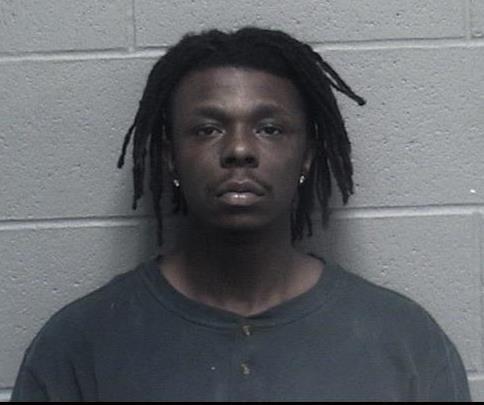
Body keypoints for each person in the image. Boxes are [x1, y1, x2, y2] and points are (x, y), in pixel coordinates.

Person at [11, 27, 471, 401]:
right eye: (208, 129)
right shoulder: (79, 346)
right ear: (170, 158)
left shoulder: (406, 343)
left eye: (269, 129)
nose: (238, 149)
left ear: (307, 156)